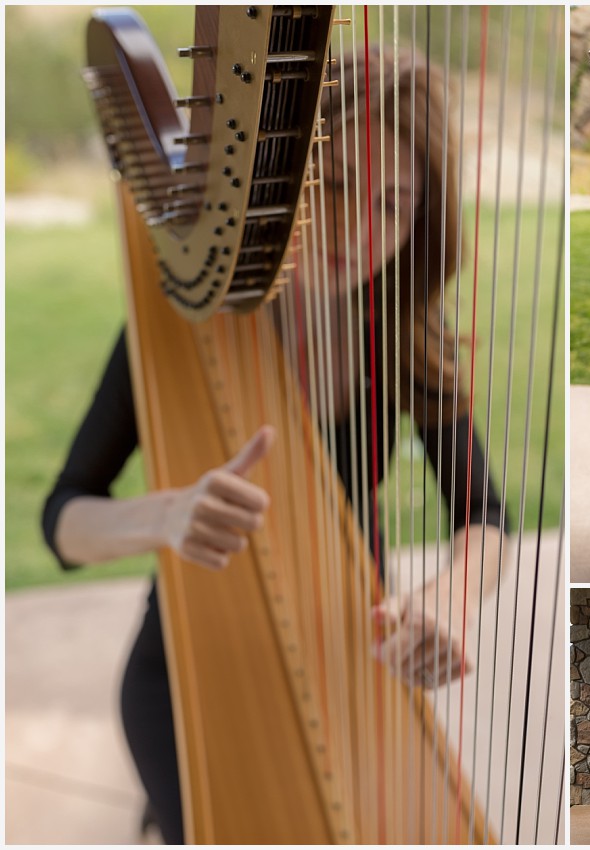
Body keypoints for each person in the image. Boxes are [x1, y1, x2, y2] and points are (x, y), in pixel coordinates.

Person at [42, 47, 507, 844]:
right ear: (276, 185)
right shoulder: (177, 329)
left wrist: (448, 600)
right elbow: (64, 520)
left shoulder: (402, 337)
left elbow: (484, 513)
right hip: (182, 674)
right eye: (332, 186)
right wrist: (168, 515)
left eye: (393, 204)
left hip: (350, 662)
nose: (361, 230)